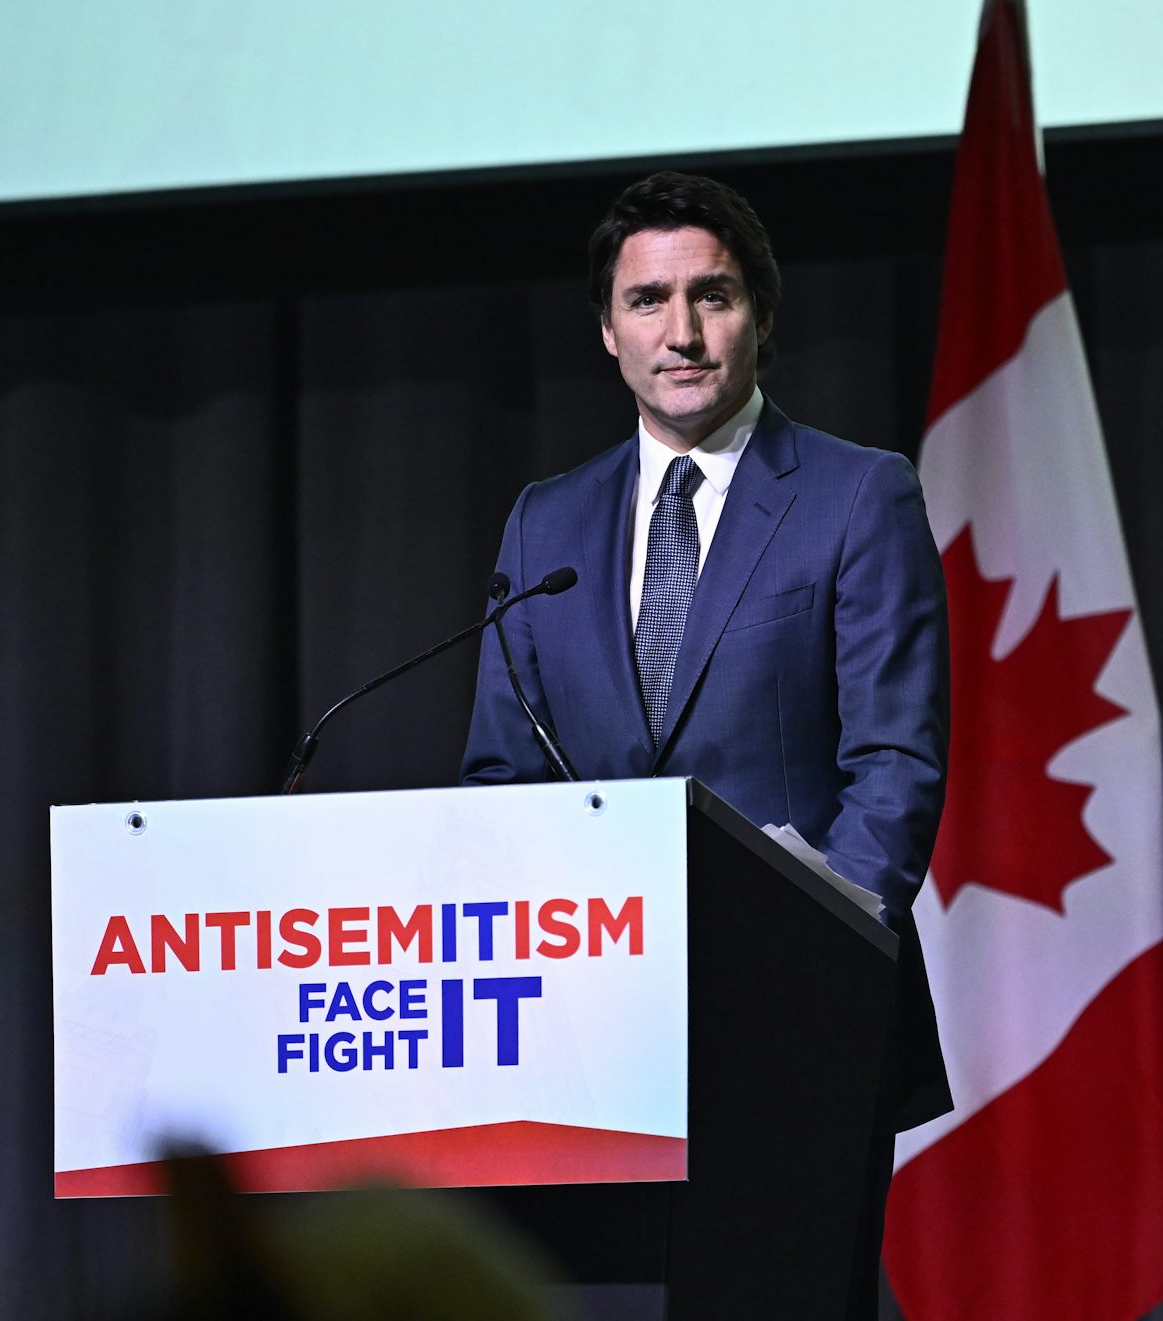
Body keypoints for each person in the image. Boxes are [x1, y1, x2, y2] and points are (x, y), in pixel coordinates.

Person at [460, 170, 949, 1316]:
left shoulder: (857, 496)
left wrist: (807, 959)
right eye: (649, 301)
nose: (681, 332)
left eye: (712, 296)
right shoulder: (546, 520)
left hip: (797, 1036)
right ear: (607, 331)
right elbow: (498, 778)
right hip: (588, 1048)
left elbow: (896, 766)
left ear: (762, 316)